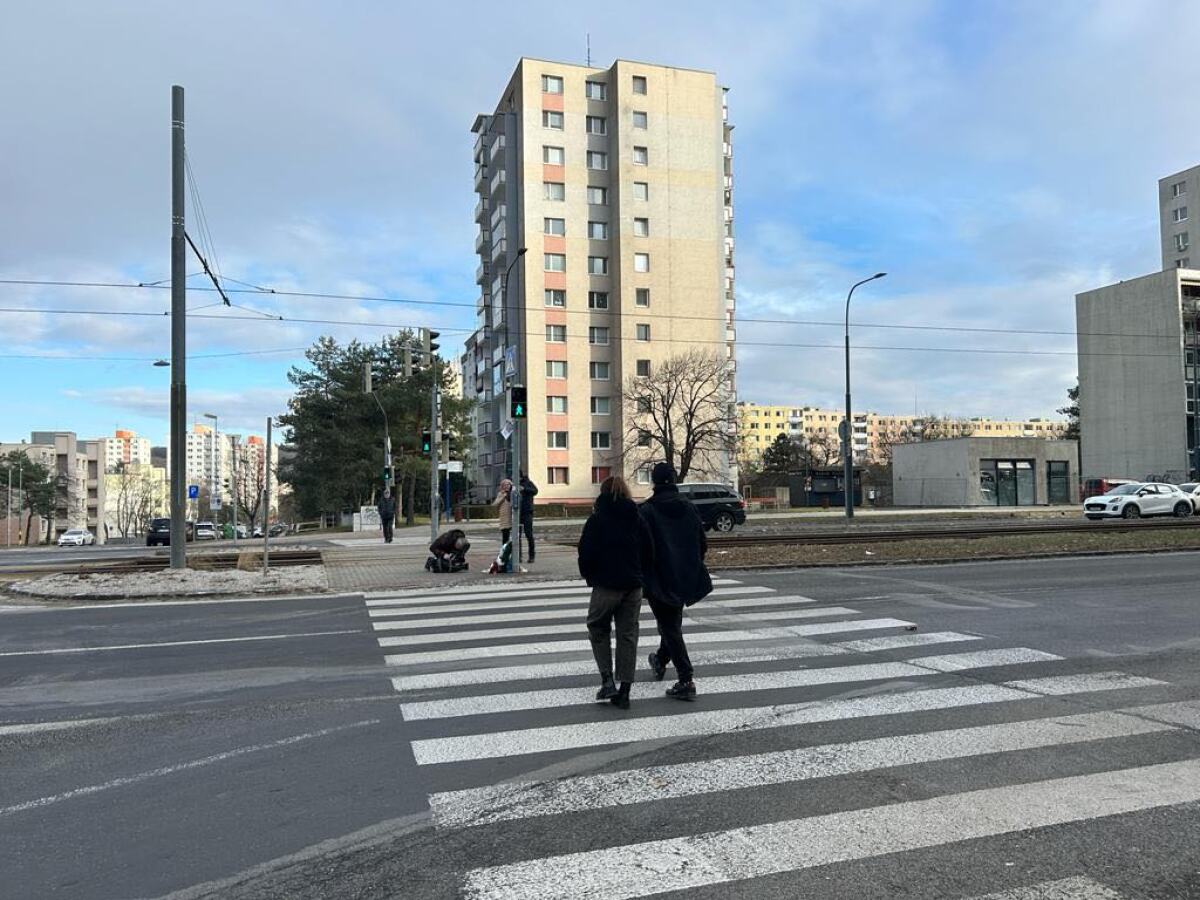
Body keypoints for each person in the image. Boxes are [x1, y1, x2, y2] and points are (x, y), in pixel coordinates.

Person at [578, 476, 654, 709]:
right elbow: (649, 550)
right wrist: (640, 574)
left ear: (602, 493)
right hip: (632, 585)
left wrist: (591, 576)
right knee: (628, 634)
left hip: (606, 584)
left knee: (597, 626)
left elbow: (585, 552)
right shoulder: (636, 517)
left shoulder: (596, 520)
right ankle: (625, 690)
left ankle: (607, 679)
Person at [639, 462, 713, 700]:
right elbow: (702, 541)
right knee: (672, 623)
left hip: (660, 577)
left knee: (669, 625)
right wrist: (692, 564)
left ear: (655, 481)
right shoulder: (688, 507)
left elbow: (643, 548)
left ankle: (686, 678)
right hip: (685, 574)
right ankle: (660, 659)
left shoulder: (647, 510)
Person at [519, 471, 539, 563]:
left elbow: (535, 491)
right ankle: (518, 556)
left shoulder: (528, 483)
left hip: (527, 512)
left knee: (529, 534)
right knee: (516, 536)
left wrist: (524, 489)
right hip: (517, 513)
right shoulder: (513, 484)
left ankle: (532, 556)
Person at [494, 479, 513, 548]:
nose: (507, 486)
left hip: (512, 518)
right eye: (505, 484)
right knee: (505, 537)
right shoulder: (501, 494)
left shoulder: (512, 493)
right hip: (504, 519)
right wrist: (503, 497)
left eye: (508, 484)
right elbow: (495, 504)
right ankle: (504, 551)